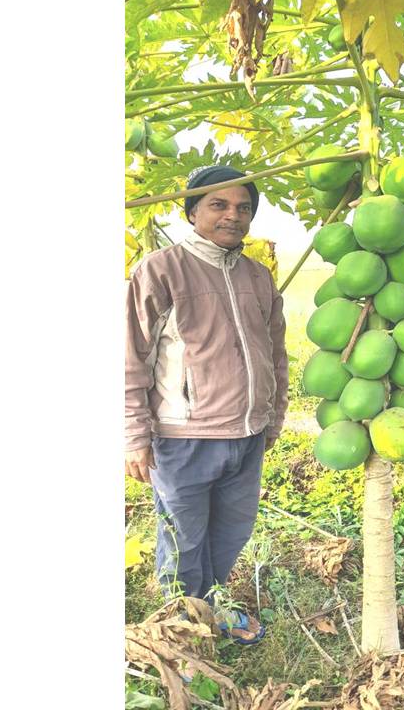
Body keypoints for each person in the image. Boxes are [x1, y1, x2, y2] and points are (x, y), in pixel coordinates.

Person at [125, 166, 288, 644]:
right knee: (184, 539)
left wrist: (272, 418)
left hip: (247, 435)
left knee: (231, 532)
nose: (232, 215)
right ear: (192, 211)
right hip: (184, 437)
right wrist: (133, 434)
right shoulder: (161, 270)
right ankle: (184, 626)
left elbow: (275, 353)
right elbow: (129, 357)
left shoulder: (258, 277)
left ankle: (214, 606)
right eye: (219, 205)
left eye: (243, 207)